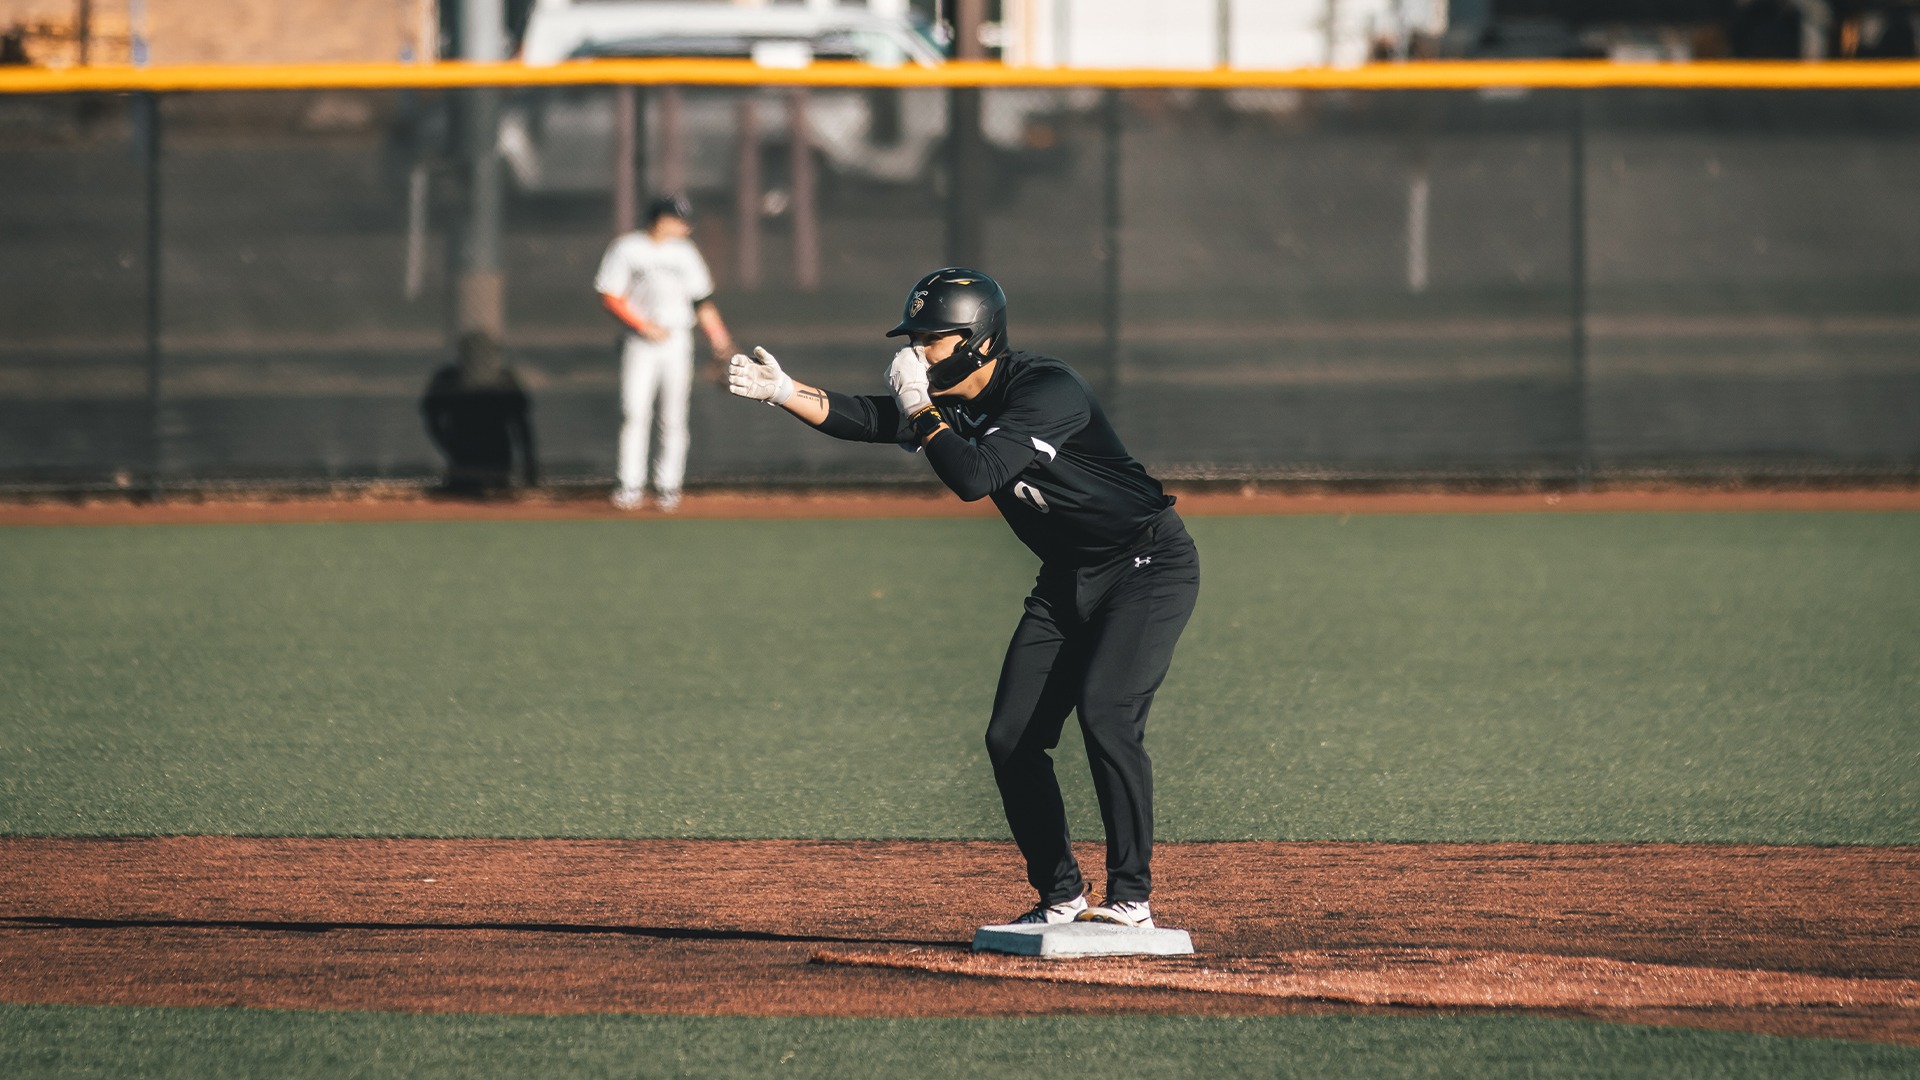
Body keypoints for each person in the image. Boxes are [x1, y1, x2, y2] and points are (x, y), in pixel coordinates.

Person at [725, 268, 1200, 929]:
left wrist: (921, 407)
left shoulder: (1045, 389)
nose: (918, 350)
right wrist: (784, 391)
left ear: (976, 340)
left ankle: (1132, 899)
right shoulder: (948, 397)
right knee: (1011, 738)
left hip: (1146, 565)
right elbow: (869, 418)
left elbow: (974, 477)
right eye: (914, 338)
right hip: (1067, 575)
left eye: (932, 338)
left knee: (1107, 715)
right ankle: (1062, 896)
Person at [594, 194, 735, 511]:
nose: (686, 226)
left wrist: (719, 339)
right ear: (661, 219)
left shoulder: (686, 253)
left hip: (677, 340)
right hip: (640, 341)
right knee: (633, 411)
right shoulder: (627, 248)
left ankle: (668, 486)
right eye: (679, 219)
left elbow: (702, 301)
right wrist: (643, 326)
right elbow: (610, 295)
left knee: (673, 416)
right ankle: (629, 486)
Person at [420, 331, 537, 496]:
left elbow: (522, 427)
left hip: (495, 459)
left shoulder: (505, 381)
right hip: (464, 458)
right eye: (474, 353)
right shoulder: (449, 379)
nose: (479, 358)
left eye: (484, 353)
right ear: (463, 355)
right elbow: (430, 415)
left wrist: (530, 468)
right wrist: (448, 444)